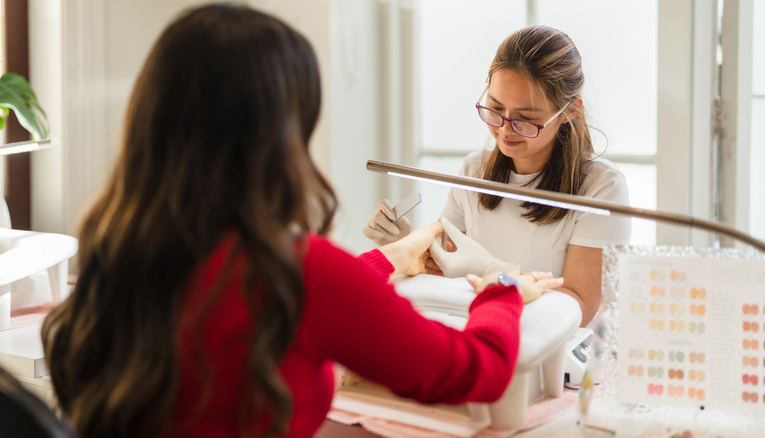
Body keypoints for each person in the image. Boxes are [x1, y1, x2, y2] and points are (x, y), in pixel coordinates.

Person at [41, 4, 563, 438]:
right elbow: (475, 372)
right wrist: (503, 290)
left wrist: (384, 261)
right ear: (279, 138)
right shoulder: (302, 273)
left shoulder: (118, 249)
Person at [365, 25, 631, 327]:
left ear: (570, 111)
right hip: (479, 333)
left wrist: (498, 272)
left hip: (551, 352)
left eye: (526, 119)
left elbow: (579, 308)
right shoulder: (474, 171)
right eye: (495, 108)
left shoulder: (601, 187)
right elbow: (441, 269)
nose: (504, 130)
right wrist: (405, 242)